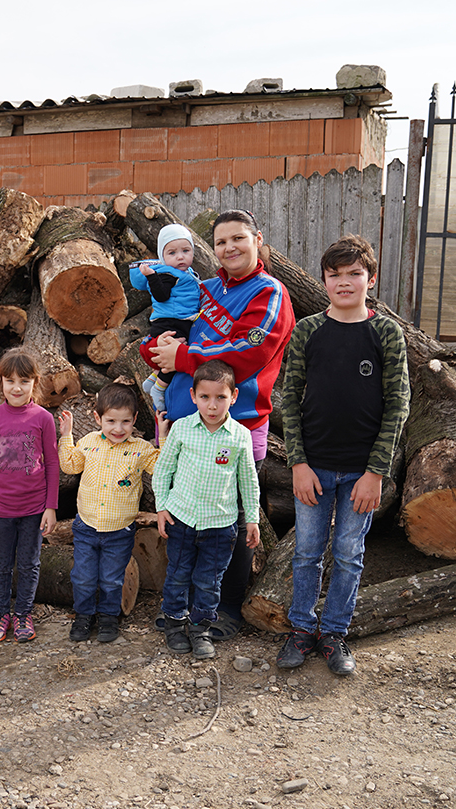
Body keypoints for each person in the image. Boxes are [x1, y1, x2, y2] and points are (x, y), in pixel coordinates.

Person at [147, 209, 295, 640]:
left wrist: (182, 357)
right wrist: (157, 347)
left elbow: (248, 352)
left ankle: (225, 608)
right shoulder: (205, 289)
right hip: (185, 423)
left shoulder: (269, 293)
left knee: (228, 521)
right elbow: (169, 327)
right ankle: (186, 607)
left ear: (257, 240)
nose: (229, 248)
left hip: (237, 425)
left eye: (238, 239)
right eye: (221, 242)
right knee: (186, 516)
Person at [275, 235, 409, 676]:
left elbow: (398, 404)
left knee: (349, 553)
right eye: (335, 275)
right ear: (324, 280)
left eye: (355, 273)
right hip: (313, 466)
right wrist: (297, 463)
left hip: (360, 471)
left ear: (372, 278)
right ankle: (301, 629)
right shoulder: (308, 331)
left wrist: (376, 472)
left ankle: (334, 633)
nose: (345, 282)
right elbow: (290, 397)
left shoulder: (386, 333)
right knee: (307, 552)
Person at [153, 360, 261, 659]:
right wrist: (162, 507)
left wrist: (252, 518)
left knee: (209, 581)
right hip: (182, 519)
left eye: (220, 397)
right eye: (205, 397)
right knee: (178, 575)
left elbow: (248, 480)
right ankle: (175, 624)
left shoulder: (239, 435)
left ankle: (201, 629)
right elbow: (163, 470)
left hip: (220, 525)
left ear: (233, 396)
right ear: (193, 396)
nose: (212, 405)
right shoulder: (182, 429)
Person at [58, 383, 159, 643]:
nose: (118, 428)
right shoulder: (89, 442)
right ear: (97, 418)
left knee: (112, 579)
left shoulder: (140, 449)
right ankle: (84, 615)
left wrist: (164, 435)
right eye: (111, 421)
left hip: (119, 531)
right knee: (82, 576)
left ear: (135, 419)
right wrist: (66, 435)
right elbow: (70, 466)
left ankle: (108, 617)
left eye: (125, 421)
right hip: (86, 527)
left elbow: (162, 468)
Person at [0, 348, 60, 643]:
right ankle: (1, 614)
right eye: (10, 381)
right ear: (0, 382)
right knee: (1, 564)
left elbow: (52, 464)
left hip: (34, 507)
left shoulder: (44, 418)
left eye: (24, 381)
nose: (17, 388)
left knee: (29, 563)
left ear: (35, 382)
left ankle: (23, 613)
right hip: (1, 508)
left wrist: (51, 507)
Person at [129, 224, 202, 414]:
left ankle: (153, 378)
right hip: (171, 322)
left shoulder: (185, 273)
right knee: (176, 354)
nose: (180, 257)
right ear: (162, 256)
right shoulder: (166, 274)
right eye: (172, 253)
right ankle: (159, 388)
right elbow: (161, 296)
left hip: (177, 319)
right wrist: (152, 277)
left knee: (175, 352)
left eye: (185, 251)